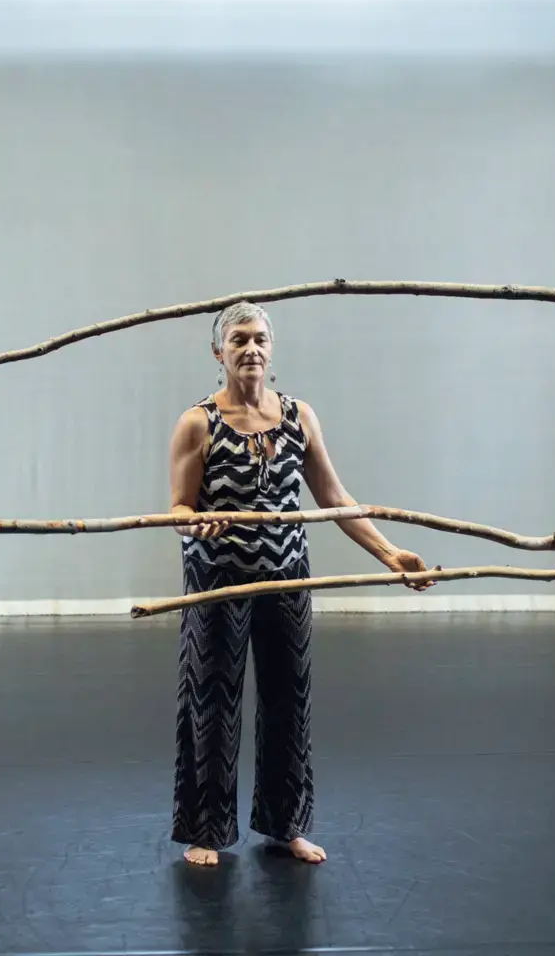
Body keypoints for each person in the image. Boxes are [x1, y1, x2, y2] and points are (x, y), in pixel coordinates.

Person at [167, 301, 432, 866]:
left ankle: (286, 824)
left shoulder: (297, 417)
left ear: (272, 348)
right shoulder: (198, 423)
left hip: (287, 575)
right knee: (211, 699)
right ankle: (205, 830)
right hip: (218, 579)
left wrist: (390, 554)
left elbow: (335, 500)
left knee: (290, 698)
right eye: (239, 340)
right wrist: (196, 522)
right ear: (220, 352)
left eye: (260, 338)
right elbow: (179, 508)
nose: (251, 349)